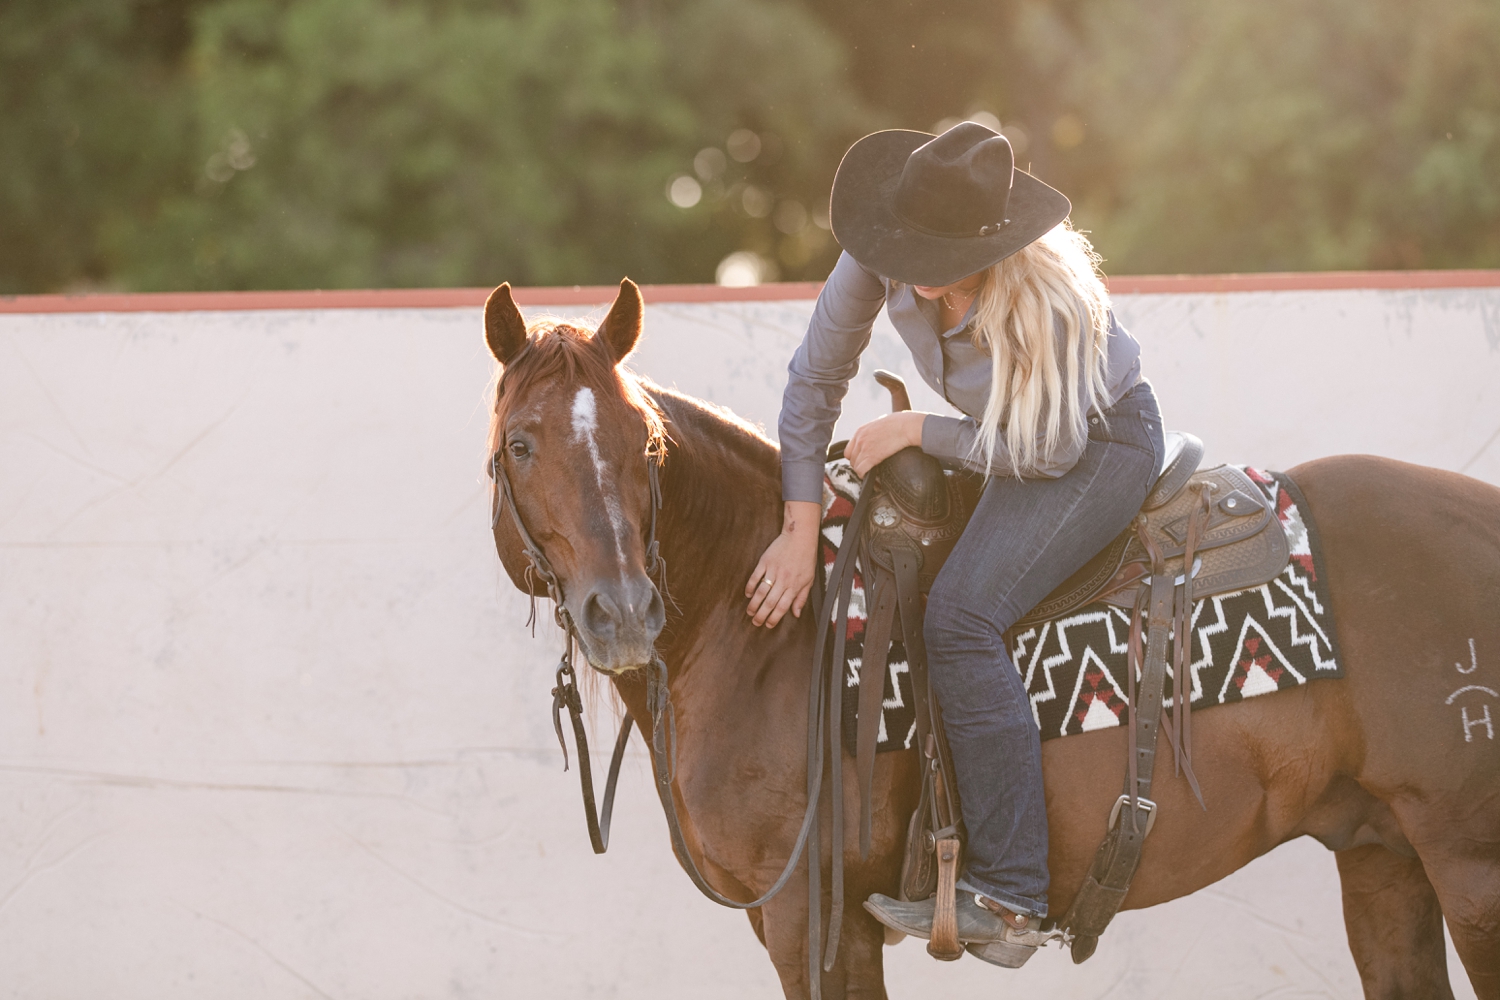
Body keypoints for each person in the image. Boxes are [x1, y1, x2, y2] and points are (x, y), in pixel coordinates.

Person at [742, 122, 1164, 952]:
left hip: (1093, 443)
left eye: (935, 268)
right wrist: (797, 529)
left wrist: (917, 432)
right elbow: (815, 377)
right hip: (1004, 437)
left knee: (962, 616)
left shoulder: (1049, 299)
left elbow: (1049, 451)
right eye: (905, 257)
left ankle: (1009, 897)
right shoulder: (883, 243)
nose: (909, 278)